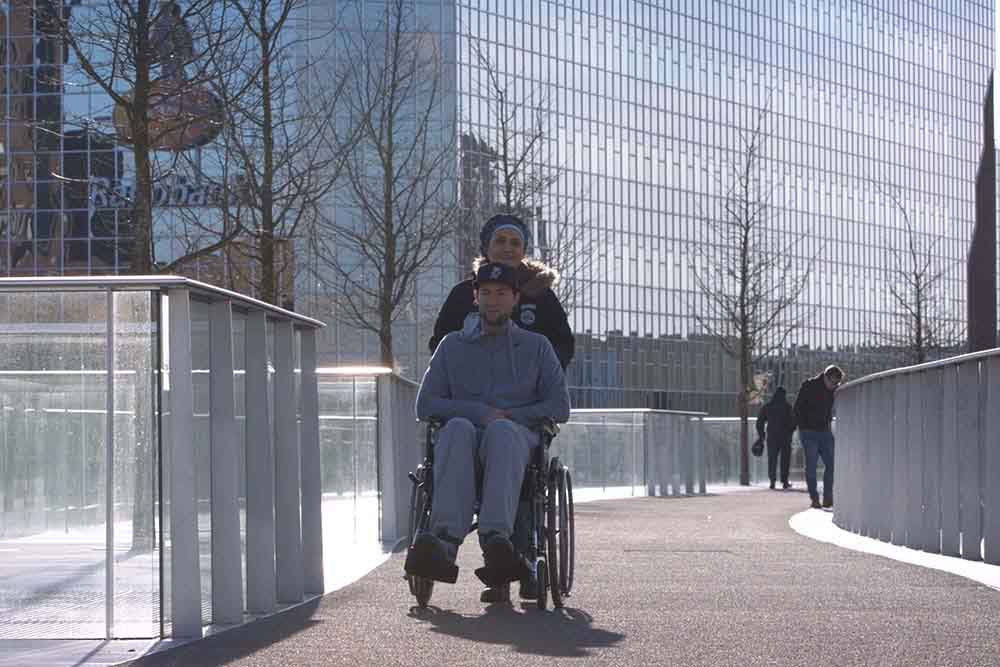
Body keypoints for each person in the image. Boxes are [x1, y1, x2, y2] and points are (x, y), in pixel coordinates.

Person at [405, 262, 571, 596]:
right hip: (463, 441)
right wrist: (479, 413)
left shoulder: (537, 347)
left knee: (501, 433)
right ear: (475, 298)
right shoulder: (452, 345)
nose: (493, 300)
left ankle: (497, 540)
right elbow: (425, 406)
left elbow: (559, 408)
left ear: (515, 299)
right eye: (486, 293)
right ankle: (443, 544)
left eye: (501, 293)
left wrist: (509, 416)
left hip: (515, 440)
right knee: (456, 430)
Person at [429, 213, 575, 370]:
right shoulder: (463, 293)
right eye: (500, 241)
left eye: (515, 243)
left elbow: (563, 345)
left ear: (523, 251)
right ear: (487, 247)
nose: (507, 248)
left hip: (526, 392)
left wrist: (537, 375)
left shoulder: (541, 295)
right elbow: (440, 344)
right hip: (472, 391)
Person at [793, 365, 844, 509]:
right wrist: (802, 426)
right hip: (808, 432)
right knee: (811, 466)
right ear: (825, 377)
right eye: (832, 383)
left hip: (824, 431)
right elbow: (797, 408)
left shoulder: (833, 390)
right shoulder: (809, 386)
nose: (834, 386)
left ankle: (828, 497)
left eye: (836, 384)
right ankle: (814, 498)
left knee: (832, 464)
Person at [756, 386, 795, 490]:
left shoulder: (768, 406)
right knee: (785, 459)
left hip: (772, 437)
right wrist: (790, 433)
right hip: (785, 437)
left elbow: (760, 422)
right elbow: (793, 422)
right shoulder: (787, 407)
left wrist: (762, 435)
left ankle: (772, 481)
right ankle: (784, 481)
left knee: (772, 459)